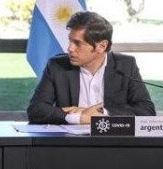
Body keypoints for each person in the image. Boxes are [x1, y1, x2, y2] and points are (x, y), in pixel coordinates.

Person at [27, 11, 155, 125]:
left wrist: (102, 113)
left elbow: (146, 111)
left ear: (102, 46)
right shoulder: (57, 66)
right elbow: (35, 110)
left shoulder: (125, 66)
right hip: (70, 145)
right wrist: (78, 117)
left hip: (113, 143)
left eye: (77, 43)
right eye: (70, 41)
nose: (70, 48)